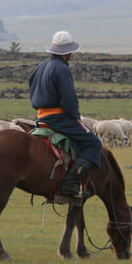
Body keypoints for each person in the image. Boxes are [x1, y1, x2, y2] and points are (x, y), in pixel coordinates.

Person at [28, 30, 102, 199]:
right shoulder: (62, 69)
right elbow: (69, 98)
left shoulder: (40, 66)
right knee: (94, 144)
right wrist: (75, 115)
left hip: (40, 117)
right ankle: (69, 184)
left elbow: (32, 91)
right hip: (58, 118)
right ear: (67, 52)